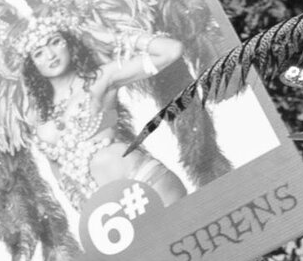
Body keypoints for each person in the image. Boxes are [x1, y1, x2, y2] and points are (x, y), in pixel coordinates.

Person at [19, 23, 189, 212]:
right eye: (38, 53)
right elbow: (60, 173)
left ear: (69, 43)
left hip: (144, 181)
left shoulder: (100, 79)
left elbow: (172, 50)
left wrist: (117, 37)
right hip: (108, 209)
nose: (50, 55)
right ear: (32, 64)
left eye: (55, 42)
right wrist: (86, 213)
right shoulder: (37, 113)